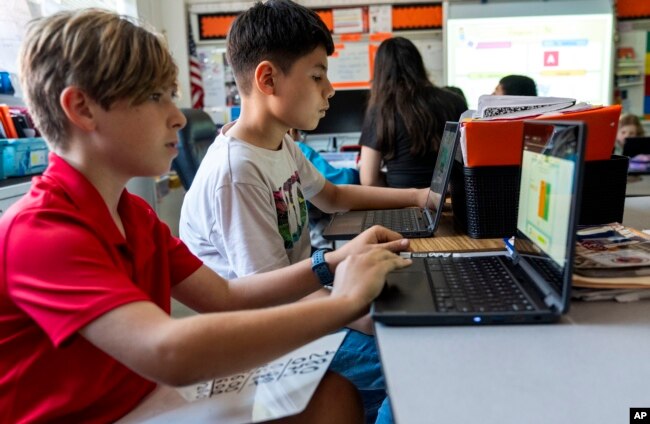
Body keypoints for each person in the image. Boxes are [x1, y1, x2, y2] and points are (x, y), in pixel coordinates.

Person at [0, 8, 414, 423]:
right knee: (397, 369)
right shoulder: (41, 231)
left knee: (333, 396)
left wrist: (333, 263)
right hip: (110, 409)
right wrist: (343, 302)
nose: (178, 117)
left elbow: (225, 296)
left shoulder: (134, 214)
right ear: (83, 109)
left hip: (141, 398)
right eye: (155, 97)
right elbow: (167, 351)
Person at [179, 2, 429, 423]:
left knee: (403, 335)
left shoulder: (279, 144)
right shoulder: (237, 172)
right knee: (409, 361)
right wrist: (357, 311)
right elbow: (268, 293)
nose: (330, 89)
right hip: (267, 337)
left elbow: (330, 195)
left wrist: (417, 197)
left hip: (298, 306)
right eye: (317, 76)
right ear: (268, 78)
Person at [358, 37, 468, 189]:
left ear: (380, 71)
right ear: (418, 64)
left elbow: (368, 179)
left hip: (402, 204)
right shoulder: (455, 101)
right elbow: (466, 161)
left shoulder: (381, 108)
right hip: (448, 202)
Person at [290, 128, 360, 252]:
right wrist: (357, 172)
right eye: (300, 133)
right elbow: (339, 182)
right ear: (292, 131)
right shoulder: (297, 148)